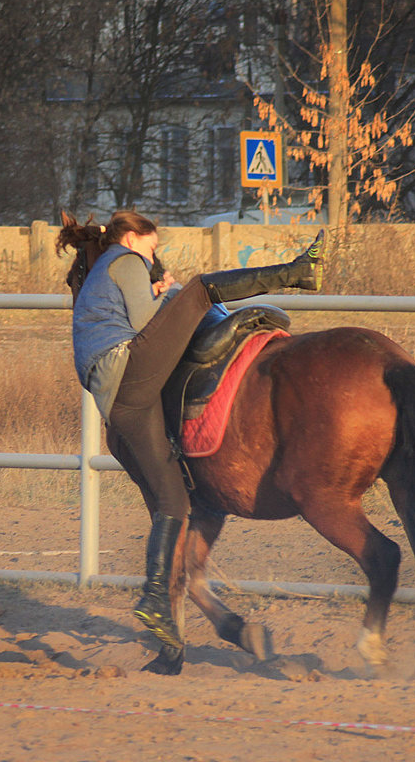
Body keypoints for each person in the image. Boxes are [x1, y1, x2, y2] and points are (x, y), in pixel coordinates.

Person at [57, 210, 323, 656]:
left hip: (123, 400)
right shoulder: (123, 260)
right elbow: (144, 323)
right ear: (132, 237)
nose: (153, 253)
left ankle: (157, 603)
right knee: (199, 289)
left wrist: (159, 294)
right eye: (152, 245)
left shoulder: (108, 269)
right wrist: (167, 293)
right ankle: (295, 272)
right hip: (127, 368)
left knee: (175, 499)